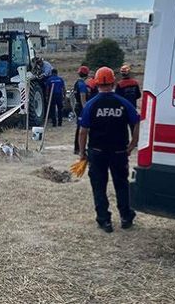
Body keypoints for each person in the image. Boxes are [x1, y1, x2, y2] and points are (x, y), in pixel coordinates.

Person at [78, 67, 139, 233]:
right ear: (113, 82)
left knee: (99, 186)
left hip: (97, 152)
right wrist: (132, 144)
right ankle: (126, 217)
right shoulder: (124, 103)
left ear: (96, 83)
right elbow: (136, 122)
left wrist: (82, 153)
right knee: (121, 184)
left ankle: (104, 220)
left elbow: (84, 131)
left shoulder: (91, 104)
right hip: (119, 152)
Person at [73, 65, 90, 154]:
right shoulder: (82, 85)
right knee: (81, 128)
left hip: (77, 106)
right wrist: (86, 110)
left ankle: (77, 147)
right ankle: (78, 148)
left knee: (79, 127)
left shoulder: (77, 83)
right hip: (81, 108)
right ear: (86, 75)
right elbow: (83, 99)